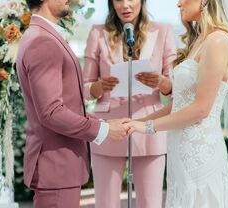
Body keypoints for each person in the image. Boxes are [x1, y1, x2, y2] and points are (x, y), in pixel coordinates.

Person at [16, 0, 131, 207]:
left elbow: (67, 105)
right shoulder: (42, 41)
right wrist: (103, 130)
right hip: (56, 165)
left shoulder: (41, 35)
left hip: (58, 168)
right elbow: (52, 112)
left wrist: (107, 124)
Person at [126, 0, 228, 207]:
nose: (177, 4)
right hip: (180, 151)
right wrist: (135, 122)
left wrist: (146, 127)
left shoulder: (218, 41)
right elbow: (179, 105)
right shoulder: (199, 41)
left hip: (200, 152)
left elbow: (202, 109)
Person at [83, 0, 176, 207]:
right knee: (106, 203)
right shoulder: (97, 33)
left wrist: (161, 82)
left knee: (150, 203)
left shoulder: (163, 31)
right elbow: (85, 89)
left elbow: (175, 89)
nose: (125, 5)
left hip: (150, 126)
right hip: (107, 127)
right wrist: (100, 86)